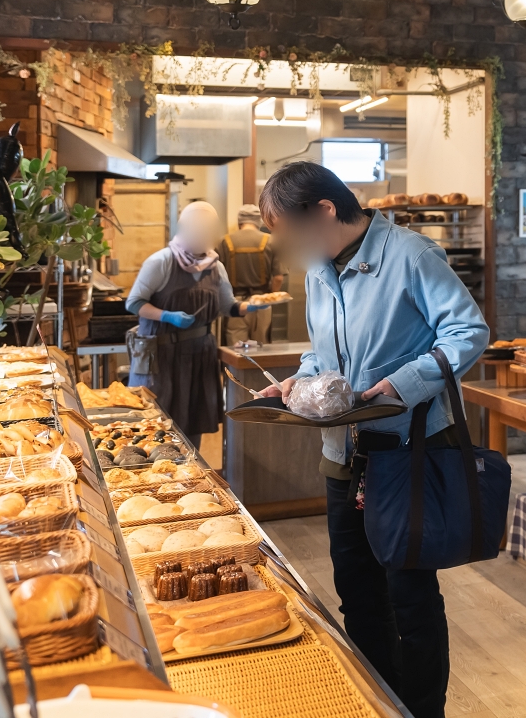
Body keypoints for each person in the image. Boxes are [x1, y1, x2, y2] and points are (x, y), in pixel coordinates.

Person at [257, 161, 488, 718]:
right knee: (357, 595)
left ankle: (421, 710)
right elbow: (322, 353)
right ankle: (378, 706)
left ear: (325, 211)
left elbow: (469, 332)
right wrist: (302, 380)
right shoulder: (318, 269)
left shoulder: (411, 256)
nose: (285, 245)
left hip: (407, 453)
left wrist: (405, 383)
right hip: (342, 452)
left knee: (409, 597)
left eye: (286, 230)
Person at [125, 201, 268, 448]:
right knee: (154, 423)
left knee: (193, 421)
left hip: (200, 354)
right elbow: (134, 303)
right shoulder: (161, 262)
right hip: (160, 355)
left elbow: (228, 306)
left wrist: (250, 306)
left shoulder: (216, 267)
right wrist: (168, 316)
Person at [216, 203, 285, 346]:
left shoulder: (224, 242)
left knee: (236, 352)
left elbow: (216, 277)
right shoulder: (272, 241)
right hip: (262, 304)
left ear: (239, 222)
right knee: (262, 348)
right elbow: (278, 277)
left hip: (235, 303)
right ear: (258, 221)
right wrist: (269, 297)